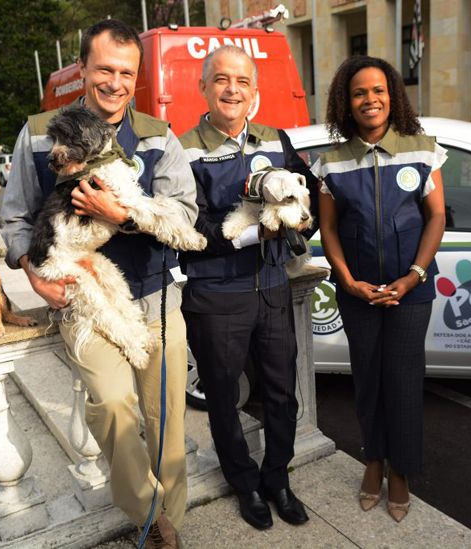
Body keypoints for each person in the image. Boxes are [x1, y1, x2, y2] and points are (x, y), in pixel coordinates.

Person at [1, 19, 198, 549]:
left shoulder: (159, 135)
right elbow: (15, 216)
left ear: (138, 77)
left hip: (157, 291)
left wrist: (123, 215)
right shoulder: (40, 131)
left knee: (166, 414)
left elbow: (184, 211)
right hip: (80, 295)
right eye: (104, 69)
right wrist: (34, 275)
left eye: (126, 72)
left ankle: (171, 520)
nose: (115, 82)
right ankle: (148, 512)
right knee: (111, 404)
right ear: (83, 70)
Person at [178, 45, 319, 531]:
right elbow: (190, 234)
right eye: (221, 79)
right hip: (216, 296)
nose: (232, 89)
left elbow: (311, 197)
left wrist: (302, 223)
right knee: (223, 397)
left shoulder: (275, 140)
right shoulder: (184, 149)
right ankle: (245, 484)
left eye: (242, 81)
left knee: (284, 392)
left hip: (274, 288)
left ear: (254, 90)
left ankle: (277, 478)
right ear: (203, 87)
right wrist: (259, 231)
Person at [314, 55, 446, 523]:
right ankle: (373, 460)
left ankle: (402, 471)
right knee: (368, 378)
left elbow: (436, 217)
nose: (369, 100)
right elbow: (328, 229)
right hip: (358, 294)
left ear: (392, 95)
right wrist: (346, 279)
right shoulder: (330, 161)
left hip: (412, 292)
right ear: (345, 104)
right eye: (358, 93)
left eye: (377, 91)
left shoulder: (422, 148)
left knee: (404, 381)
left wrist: (413, 275)